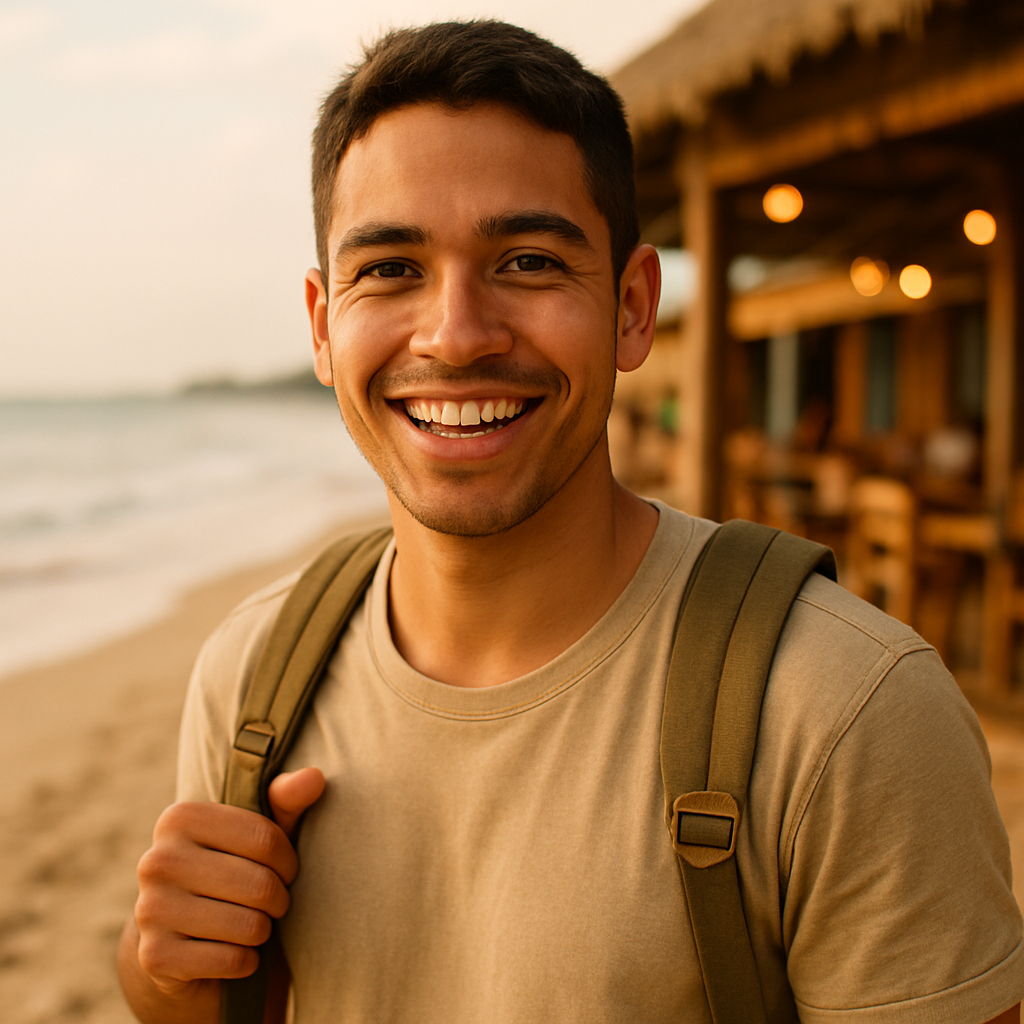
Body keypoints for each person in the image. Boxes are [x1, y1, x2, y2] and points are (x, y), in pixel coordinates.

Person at [117, 20, 1024, 1024]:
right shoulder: (253, 677)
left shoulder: (844, 711)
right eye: (389, 269)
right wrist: (164, 985)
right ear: (324, 327)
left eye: (530, 262)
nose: (456, 334)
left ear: (633, 308)